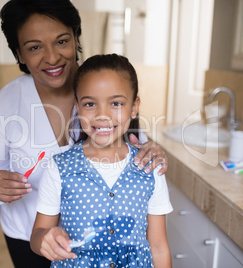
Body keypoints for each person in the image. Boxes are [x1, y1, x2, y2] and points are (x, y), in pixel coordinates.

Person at [0, 0, 169, 267]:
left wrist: (152, 152)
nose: (52, 57)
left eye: (62, 41)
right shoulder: (6, 102)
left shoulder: (102, 84)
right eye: (34, 47)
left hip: (101, 243)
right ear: (19, 53)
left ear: (76, 38)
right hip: (28, 234)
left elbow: (134, 147)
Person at [30, 54, 173, 268]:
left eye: (115, 103)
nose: (102, 115)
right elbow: (37, 236)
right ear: (77, 107)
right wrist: (45, 239)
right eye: (90, 104)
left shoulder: (150, 168)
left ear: (134, 107)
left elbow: (159, 246)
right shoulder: (58, 168)